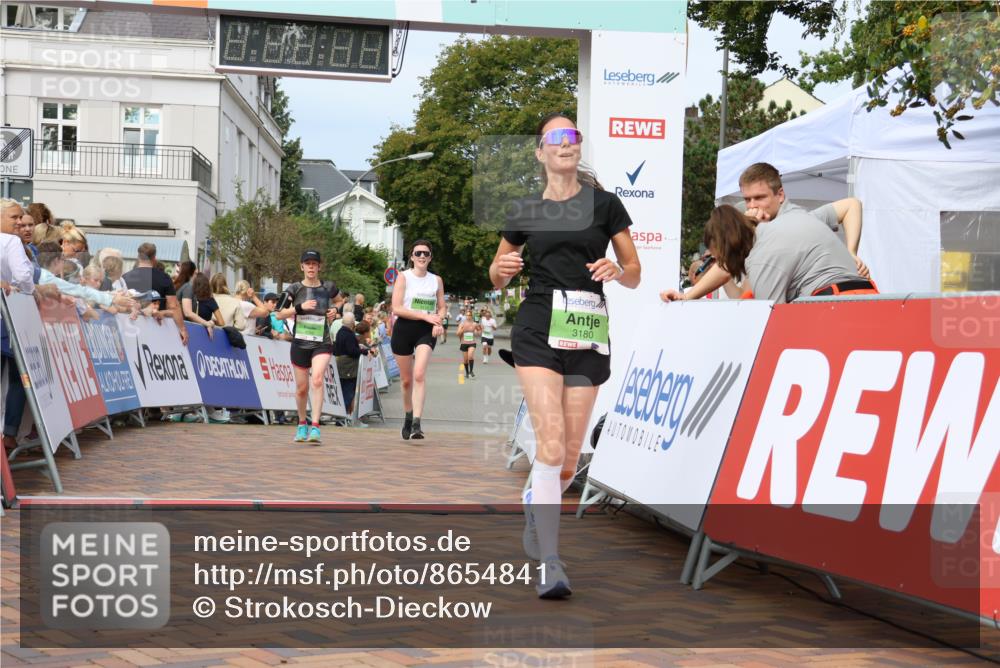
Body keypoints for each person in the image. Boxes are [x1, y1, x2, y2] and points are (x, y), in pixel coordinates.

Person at [488, 112, 640, 599]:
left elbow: (634, 271)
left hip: (588, 330)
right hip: (538, 327)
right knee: (551, 447)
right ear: (541, 152)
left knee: (569, 461)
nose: (566, 142)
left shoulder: (605, 205)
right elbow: (496, 272)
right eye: (555, 137)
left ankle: (537, 500)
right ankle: (551, 563)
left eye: (572, 135)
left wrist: (617, 270)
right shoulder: (526, 209)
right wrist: (503, 269)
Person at [662, 162, 868, 301]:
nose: (752, 205)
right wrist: (688, 296)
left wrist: (851, 253)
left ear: (780, 195)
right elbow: (729, 259)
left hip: (833, 301)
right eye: (747, 199)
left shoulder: (796, 219)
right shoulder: (799, 218)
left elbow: (852, 205)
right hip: (859, 297)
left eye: (760, 197)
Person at [699, 204, 878, 303]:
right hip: (869, 296)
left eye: (722, 258)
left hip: (833, 303)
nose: (723, 265)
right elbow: (852, 204)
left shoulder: (761, 258)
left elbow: (771, 320)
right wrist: (851, 252)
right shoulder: (795, 216)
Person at [273, 250, 343, 444]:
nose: (311, 267)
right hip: (301, 342)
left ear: (319, 267)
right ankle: (302, 423)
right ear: (301, 266)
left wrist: (334, 309)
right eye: (307, 263)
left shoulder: (328, 287)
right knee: (302, 389)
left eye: (314, 263)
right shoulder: (293, 289)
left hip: (322, 341)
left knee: (318, 380)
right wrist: (299, 308)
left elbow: (340, 300)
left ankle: (316, 426)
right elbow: (278, 314)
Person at [390, 240, 446, 441]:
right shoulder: (403, 277)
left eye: (426, 253)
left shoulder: (436, 280)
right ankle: (408, 414)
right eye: (418, 253)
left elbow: (442, 307)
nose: (422, 256)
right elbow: (396, 308)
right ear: (412, 257)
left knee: (419, 374)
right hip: (404, 329)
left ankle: (416, 423)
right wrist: (425, 316)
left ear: (430, 257)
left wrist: (439, 320)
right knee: (406, 381)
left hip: (426, 331)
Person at [122, 242, 188, 345]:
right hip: (157, 329)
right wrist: (182, 329)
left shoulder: (125, 277)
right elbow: (173, 306)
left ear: (138, 257)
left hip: (130, 328)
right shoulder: (164, 278)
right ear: (154, 258)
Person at [456, 308, 481, 378]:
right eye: (467, 315)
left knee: (470, 356)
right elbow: (457, 333)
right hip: (464, 343)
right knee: (465, 360)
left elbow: (479, 331)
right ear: (465, 316)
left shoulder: (474, 324)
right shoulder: (462, 324)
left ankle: (471, 371)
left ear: (471, 316)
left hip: (472, 343)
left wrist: (477, 332)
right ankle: (467, 372)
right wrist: (462, 329)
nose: (468, 316)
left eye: (469, 315)